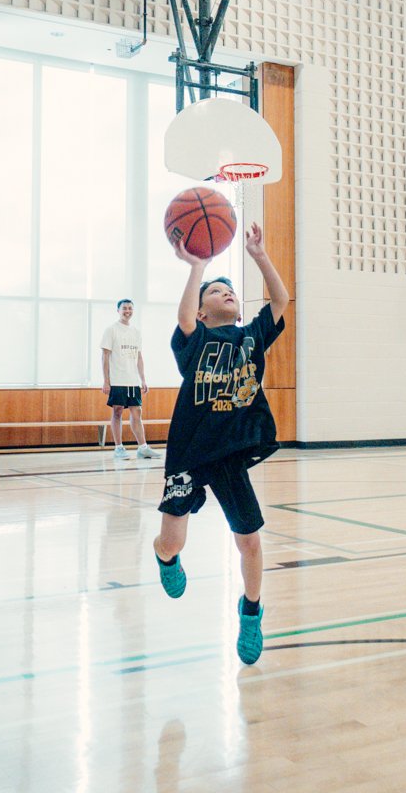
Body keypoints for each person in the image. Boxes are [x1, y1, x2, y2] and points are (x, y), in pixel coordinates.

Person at [153, 224, 289, 666]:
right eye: (216, 291)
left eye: (230, 289)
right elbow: (184, 319)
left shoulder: (251, 337)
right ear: (204, 310)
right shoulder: (196, 340)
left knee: (249, 540)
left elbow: (281, 301)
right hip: (190, 451)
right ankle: (165, 559)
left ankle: (251, 610)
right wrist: (198, 267)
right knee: (171, 542)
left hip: (229, 453)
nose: (226, 291)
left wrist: (259, 255)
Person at [101, 299, 163, 459]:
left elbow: (139, 357)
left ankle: (143, 447)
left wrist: (143, 379)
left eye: (130, 308)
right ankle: (118, 447)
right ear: (118, 310)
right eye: (124, 308)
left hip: (132, 380)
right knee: (118, 411)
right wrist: (106, 380)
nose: (127, 311)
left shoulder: (136, 332)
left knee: (137, 413)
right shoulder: (111, 330)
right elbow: (105, 356)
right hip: (117, 379)